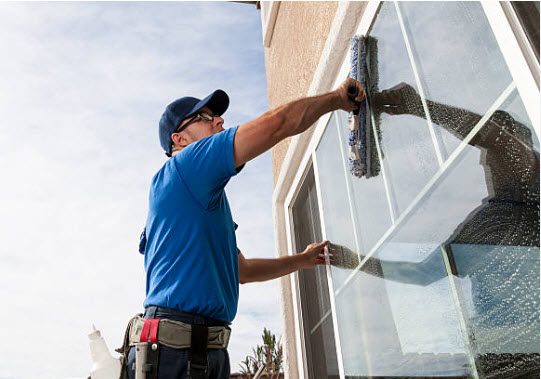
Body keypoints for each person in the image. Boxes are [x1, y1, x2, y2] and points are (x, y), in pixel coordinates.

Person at [126, 78, 365, 379]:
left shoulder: (199, 201)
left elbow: (243, 271)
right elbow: (277, 124)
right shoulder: (185, 168)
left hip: (198, 350)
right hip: (176, 352)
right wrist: (337, 99)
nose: (218, 120)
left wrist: (302, 260)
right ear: (180, 139)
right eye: (204, 117)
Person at [330, 82, 539, 378]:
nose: (484, 165)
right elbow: (422, 274)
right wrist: (354, 261)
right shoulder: (499, 218)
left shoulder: (503, 216)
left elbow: (494, 138)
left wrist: (420, 106)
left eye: (489, 157)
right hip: (500, 359)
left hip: (508, 359)